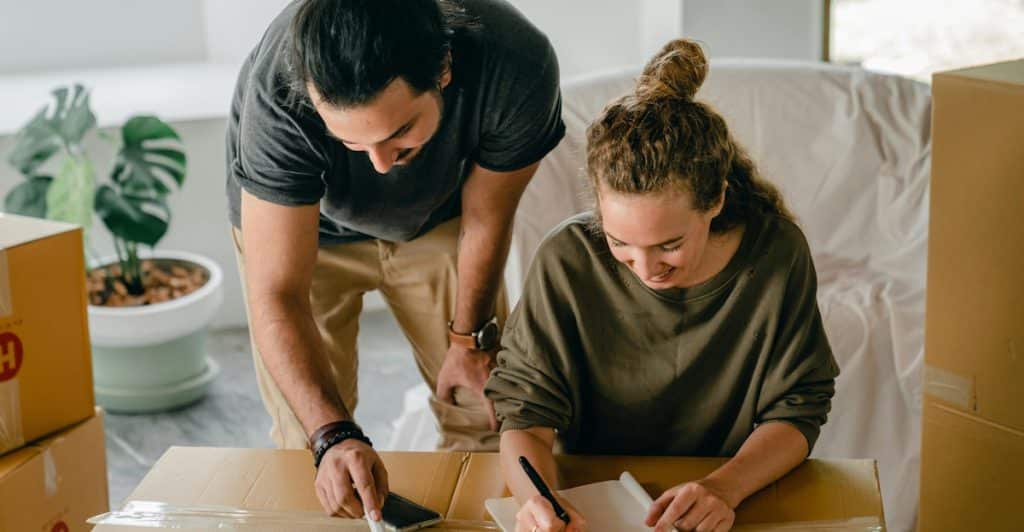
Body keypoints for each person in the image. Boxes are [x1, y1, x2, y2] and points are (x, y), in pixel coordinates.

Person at [225, 0, 564, 522]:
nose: (380, 164)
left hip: (443, 219)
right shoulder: (277, 93)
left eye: (399, 132)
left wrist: (467, 340)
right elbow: (278, 292)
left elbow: (488, 215)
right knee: (311, 445)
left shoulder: (517, 62)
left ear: (444, 69)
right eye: (350, 142)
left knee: (483, 410)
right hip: (302, 231)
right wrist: (333, 436)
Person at [485, 38, 839, 532]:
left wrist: (724, 487)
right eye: (620, 243)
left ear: (715, 199)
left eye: (670, 244)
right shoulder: (567, 258)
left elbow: (800, 408)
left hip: (723, 495)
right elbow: (525, 414)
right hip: (591, 498)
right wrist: (540, 502)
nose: (646, 269)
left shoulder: (776, 254)